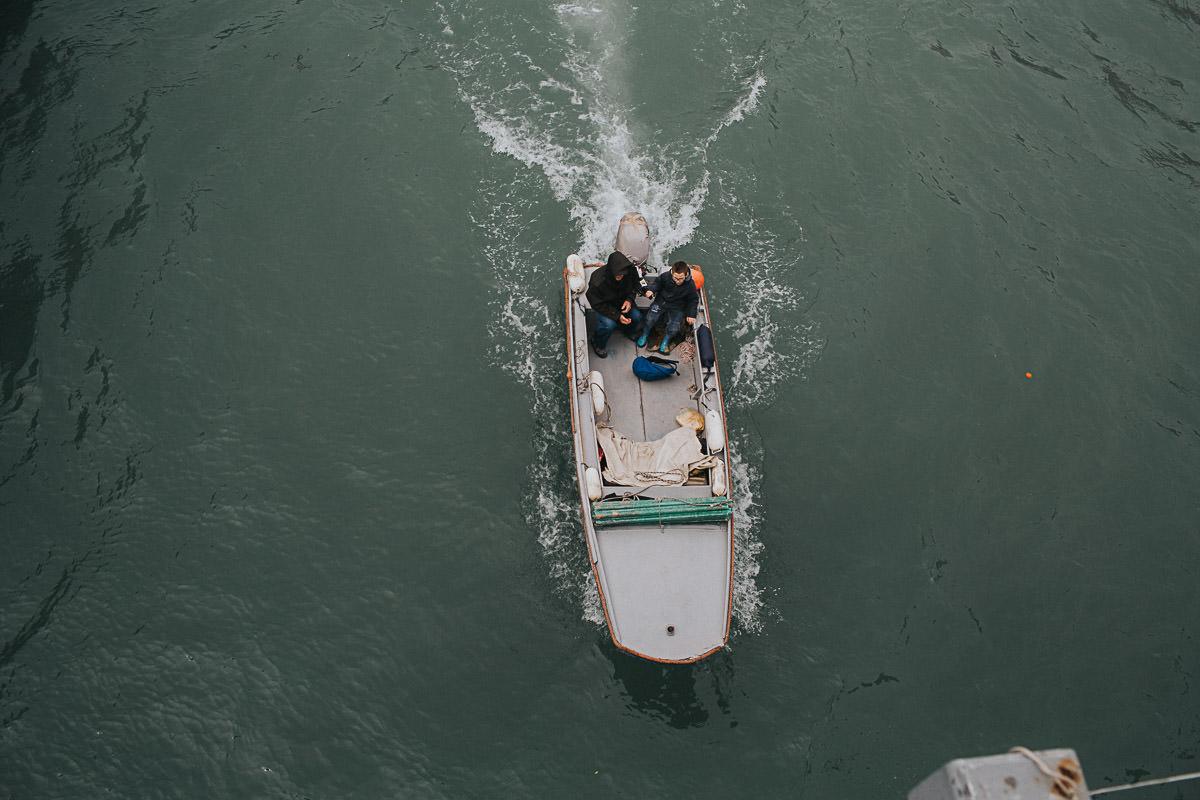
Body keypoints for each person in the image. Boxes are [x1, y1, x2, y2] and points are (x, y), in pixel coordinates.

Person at [585, 251, 644, 358]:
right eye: (617, 274)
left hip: (623, 301)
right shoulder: (597, 281)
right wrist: (617, 315)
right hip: (606, 306)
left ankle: (627, 330)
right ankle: (597, 343)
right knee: (608, 325)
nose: (620, 276)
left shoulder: (630, 271)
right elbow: (596, 304)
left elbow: (636, 285)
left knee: (637, 316)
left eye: (622, 274)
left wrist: (629, 300)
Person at [636, 260, 699, 354]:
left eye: (680, 278)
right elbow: (657, 285)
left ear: (686, 275)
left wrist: (692, 314)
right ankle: (645, 334)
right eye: (675, 278)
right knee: (650, 318)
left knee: (674, 326)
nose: (678, 281)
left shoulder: (690, 285)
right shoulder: (665, 276)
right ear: (672, 273)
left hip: (677, 306)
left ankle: (666, 340)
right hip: (661, 302)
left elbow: (693, 300)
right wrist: (651, 290)